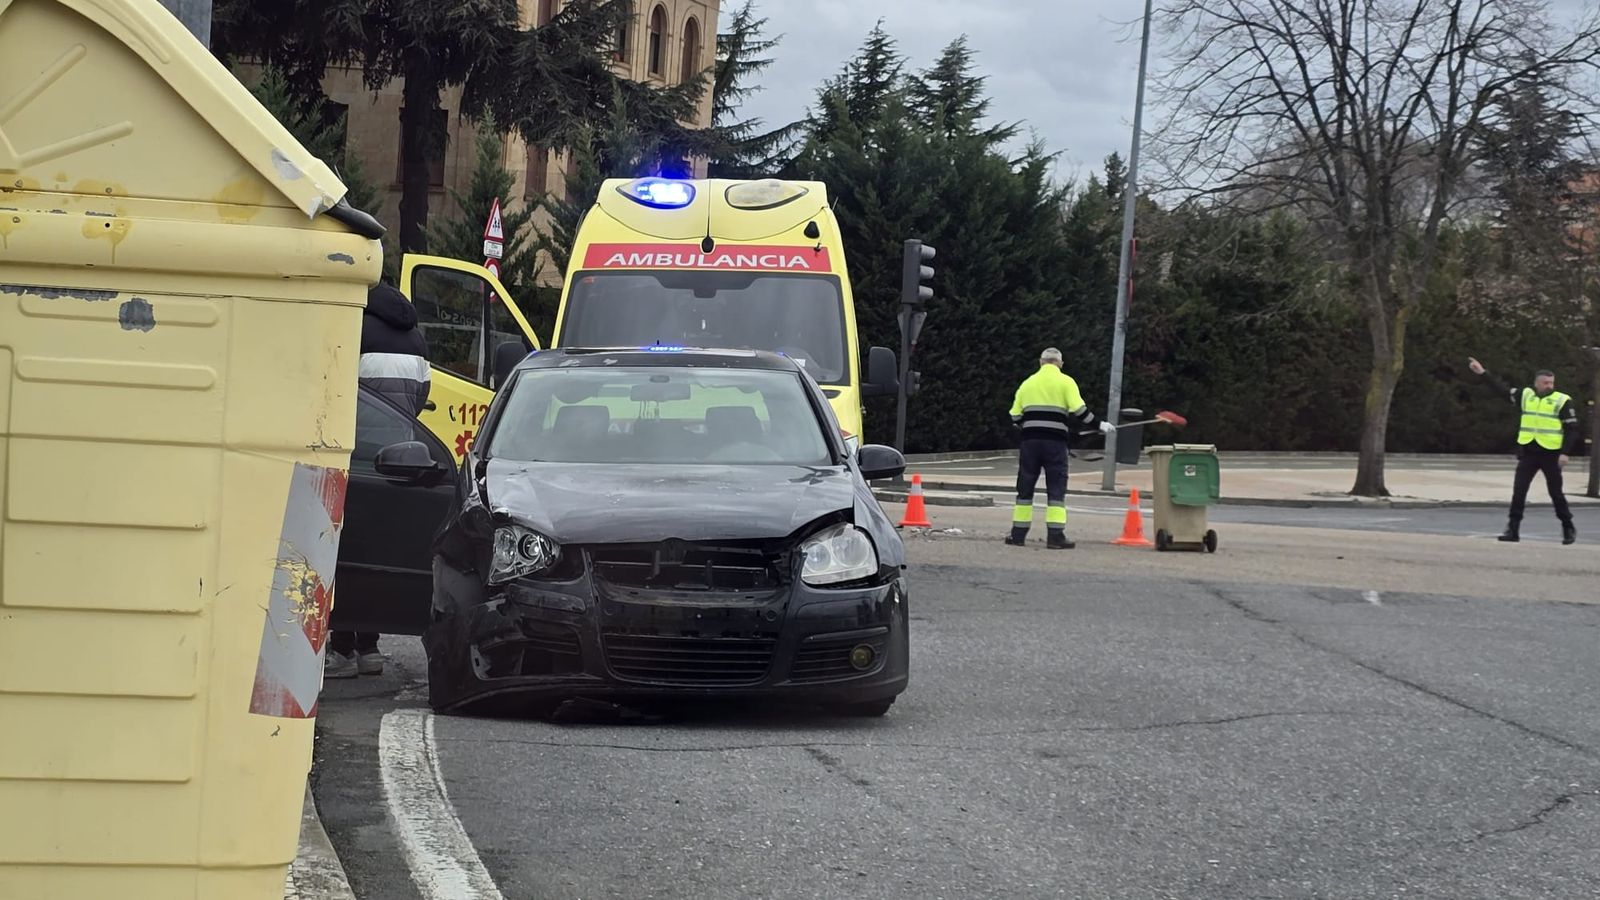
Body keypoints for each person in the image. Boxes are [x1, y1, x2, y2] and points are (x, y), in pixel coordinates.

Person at [326, 282, 432, 679]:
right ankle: (369, 649)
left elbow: (335, 388)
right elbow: (422, 395)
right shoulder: (416, 338)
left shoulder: (354, 326)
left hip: (354, 457)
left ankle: (342, 651)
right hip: (398, 459)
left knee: (343, 552)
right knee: (375, 554)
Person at [1007, 347, 1116, 549]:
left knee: (1025, 487)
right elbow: (1080, 411)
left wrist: (1029, 426)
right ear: (1060, 364)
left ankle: (1018, 535)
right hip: (1055, 444)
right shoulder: (1066, 382)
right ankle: (1055, 536)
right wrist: (1100, 425)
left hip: (1030, 443)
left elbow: (1014, 415)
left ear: (1041, 362)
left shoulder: (1027, 383)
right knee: (1056, 488)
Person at [1468, 357, 1578, 545]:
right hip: (1529, 451)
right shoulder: (1526, 395)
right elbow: (1502, 391)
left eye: (1551, 382)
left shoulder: (1562, 400)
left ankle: (1568, 526)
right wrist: (1483, 373)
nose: (1549, 386)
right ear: (1536, 383)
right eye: (1545, 382)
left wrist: (1565, 453)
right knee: (1519, 491)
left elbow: (1572, 429)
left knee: (1555, 493)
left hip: (1551, 453)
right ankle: (1513, 529)